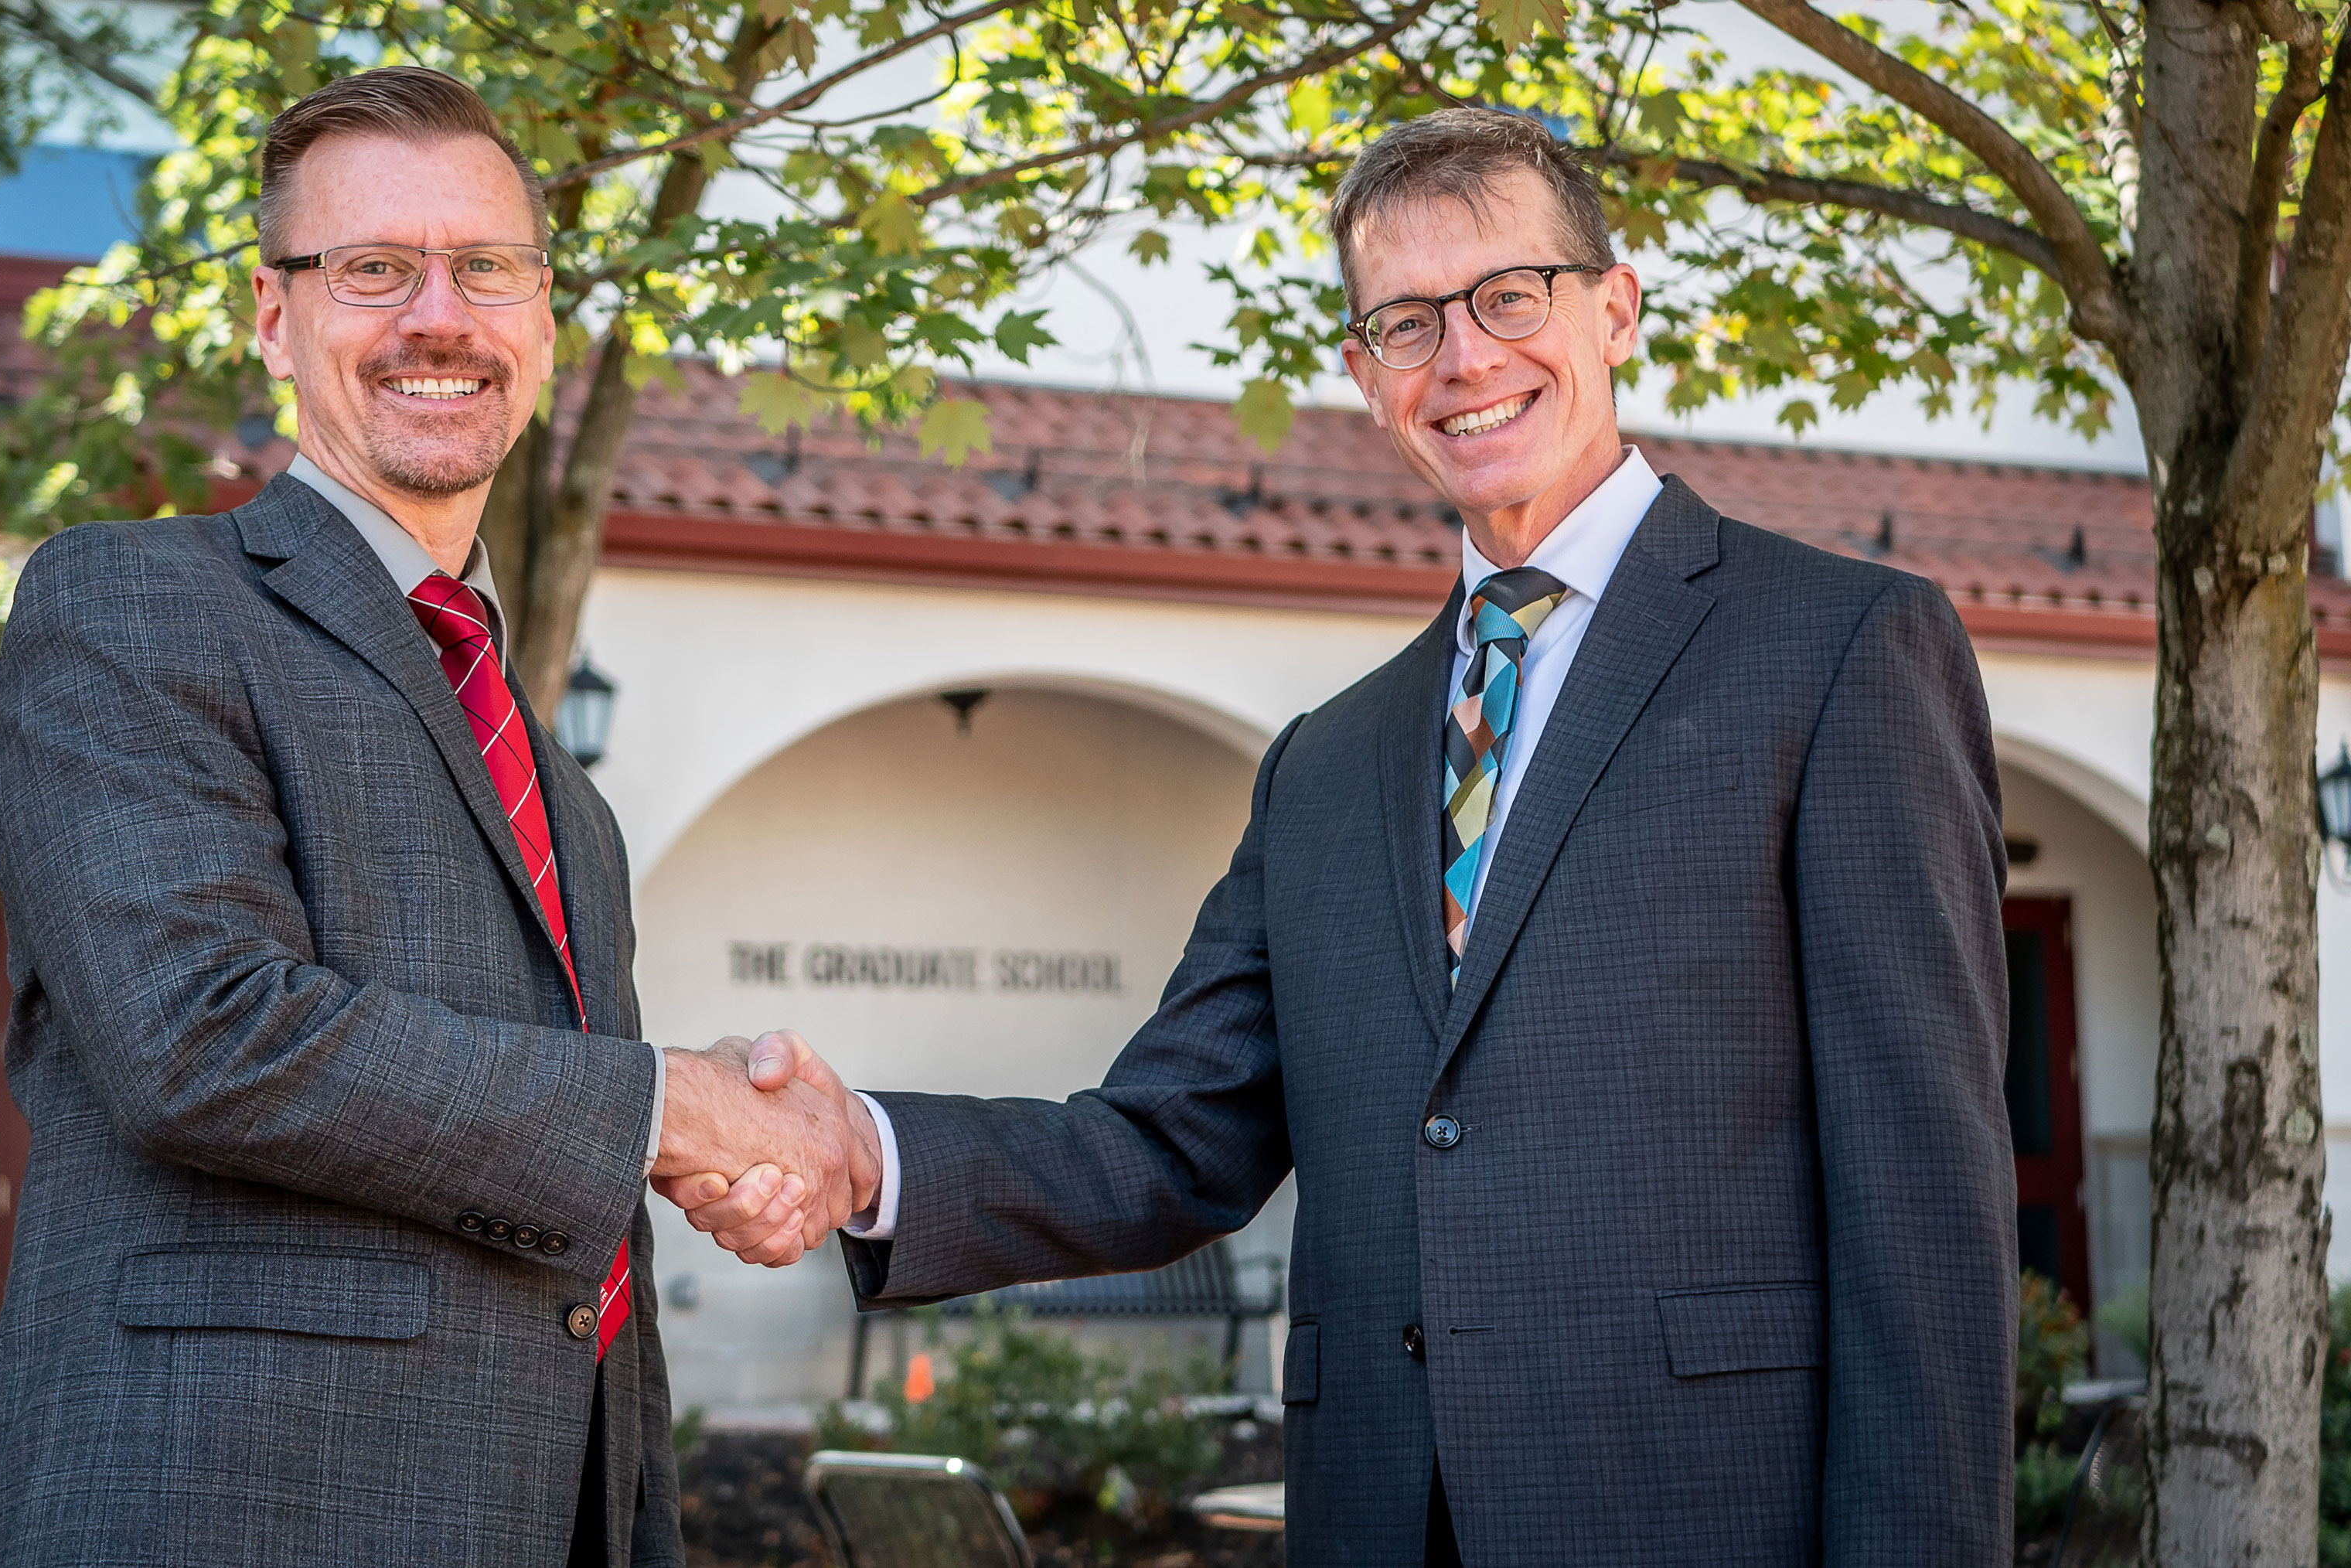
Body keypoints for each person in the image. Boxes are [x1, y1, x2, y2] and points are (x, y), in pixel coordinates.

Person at [670, 110, 2017, 1566]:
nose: (1467, 358)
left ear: (1615, 308)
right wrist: (859, 1152)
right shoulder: (1327, 761)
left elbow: (1922, 1205)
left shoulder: (1842, 652)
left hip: (1701, 1511)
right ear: (1367, 377)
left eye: (1511, 296)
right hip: (1378, 1511)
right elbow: (1167, 1142)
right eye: (1406, 323)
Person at [0, 66, 867, 1568]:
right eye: (375, 268)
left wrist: (698, 1143)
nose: (439, 315)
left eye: (486, 267)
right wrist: (664, 1109)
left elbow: (532, 1143)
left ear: (544, 320)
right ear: (274, 317)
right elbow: (202, 1038)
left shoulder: (556, 786)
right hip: (231, 1517)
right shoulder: (131, 604)